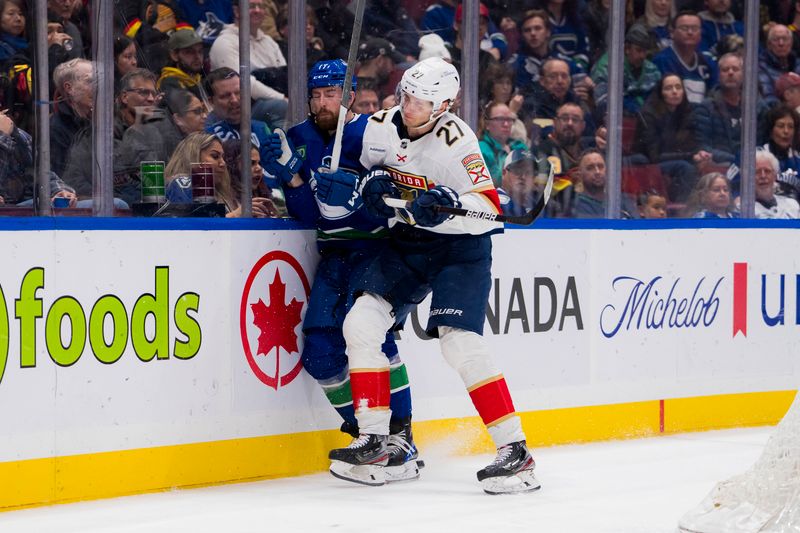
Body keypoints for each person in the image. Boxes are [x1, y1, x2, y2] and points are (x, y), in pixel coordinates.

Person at [322, 57, 539, 494]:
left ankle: (514, 451)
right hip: (408, 242)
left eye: (421, 102)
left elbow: (489, 212)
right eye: (405, 95)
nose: (409, 106)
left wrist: (443, 204)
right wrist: (370, 187)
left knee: (459, 343)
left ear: (443, 106)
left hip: (460, 248)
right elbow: (360, 171)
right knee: (360, 323)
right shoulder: (380, 126)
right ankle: (380, 442)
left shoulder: (458, 142)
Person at [262, 59, 421, 482]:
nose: (322, 102)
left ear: (348, 95)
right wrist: (292, 182)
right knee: (319, 351)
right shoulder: (297, 138)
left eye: (331, 94)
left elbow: (400, 200)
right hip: (335, 255)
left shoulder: (376, 134)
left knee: (374, 339)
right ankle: (366, 438)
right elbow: (310, 215)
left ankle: (401, 438)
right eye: (315, 95)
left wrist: (367, 197)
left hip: (380, 253)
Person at [208, 0, 288, 129]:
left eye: (260, 6)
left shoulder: (269, 41)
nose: (257, 10)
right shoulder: (224, 42)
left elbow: (285, 74)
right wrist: (282, 98)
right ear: (236, 11)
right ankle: (281, 147)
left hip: (271, 103)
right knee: (281, 107)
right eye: (251, 6)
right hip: (240, 109)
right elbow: (244, 83)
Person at [633, 73, 706, 202]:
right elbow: (654, 156)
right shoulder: (649, 114)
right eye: (668, 88)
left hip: (677, 160)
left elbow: (694, 144)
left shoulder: (687, 112)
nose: (674, 92)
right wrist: (690, 156)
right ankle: (683, 208)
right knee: (685, 168)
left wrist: (700, 153)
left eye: (678, 87)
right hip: (650, 165)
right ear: (661, 93)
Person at [164, 132, 272, 217]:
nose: (223, 163)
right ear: (194, 156)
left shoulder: (218, 192)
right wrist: (235, 215)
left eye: (223, 157)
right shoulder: (181, 182)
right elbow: (192, 228)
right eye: (215, 156)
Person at [652, 11, 719, 104]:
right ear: (672, 33)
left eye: (695, 28)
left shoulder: (708, 62)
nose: (690, 32)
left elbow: (715, 94)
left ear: (700, 34)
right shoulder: (661, 60)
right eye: (684, 28)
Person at [693, 53, 743, 166]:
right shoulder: (706, 108)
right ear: (719, 75)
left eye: (735, 69)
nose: (730, 73)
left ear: (743, 74)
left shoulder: (755, 107)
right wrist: (736, 160)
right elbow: (703, 146)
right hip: (721, 166)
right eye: (725, 69)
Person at [478, 102, 528, 187]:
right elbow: (495, 181)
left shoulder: (519, 146)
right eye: (500, 119)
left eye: (509, 119)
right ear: (487, 124)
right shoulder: (481, 149)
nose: (506, 124)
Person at [759, 104, 800, 202]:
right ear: (770, 130)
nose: (786, 131)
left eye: (790, 127)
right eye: (780, 126)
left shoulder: (798, 160)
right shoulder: (755, 157)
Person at [157, 28, 208, 104]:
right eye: (189, 52)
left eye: (200, 51)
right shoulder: (170, 83)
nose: (197, 57)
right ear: (174, 55)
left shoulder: (199, 78)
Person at [758, 24, 800, 107]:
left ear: (791, 43)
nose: (781, 43)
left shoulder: (797, 63)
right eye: (776, 39)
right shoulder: (761, 67)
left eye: (785, 39)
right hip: (777, 114)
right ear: (769, 44)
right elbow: (768, 97)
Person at [754, 149, 800, 218]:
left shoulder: (792, 206)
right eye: (757, 172)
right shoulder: (743, 209)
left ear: (775, 176)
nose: (763, 176)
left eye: (767, 171)